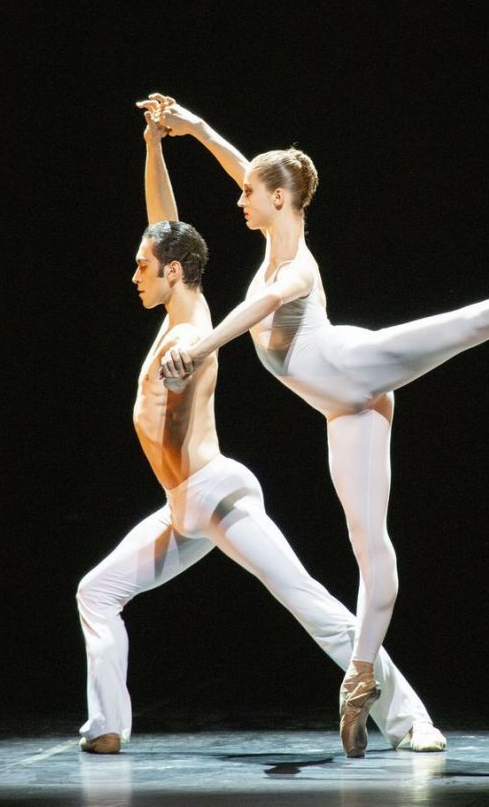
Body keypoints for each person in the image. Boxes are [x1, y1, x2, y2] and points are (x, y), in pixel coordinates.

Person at [144, 93, 489, 759]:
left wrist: (201, 348)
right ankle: (362, 675)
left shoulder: (296, 268)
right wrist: (193, 127)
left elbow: (258, 304)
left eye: (251, 194)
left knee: (476, 320)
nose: (239, 201)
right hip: (345, 409)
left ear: (279, 200)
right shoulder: (272, 233)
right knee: (370, 546)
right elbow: (241, 169)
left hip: (357, 364)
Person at [76, 107, 447, 756]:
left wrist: (177, 388)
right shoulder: (178, 300)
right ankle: (105, 727)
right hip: (182, 507)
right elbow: (162, 223)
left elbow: (182, 382)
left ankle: (410, 718)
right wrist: (153, 143)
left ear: (171, 274)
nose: (134, 274)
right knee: (98, 591)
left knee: (307, 600)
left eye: (143, 266)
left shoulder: (189, 333)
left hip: (215, 495)